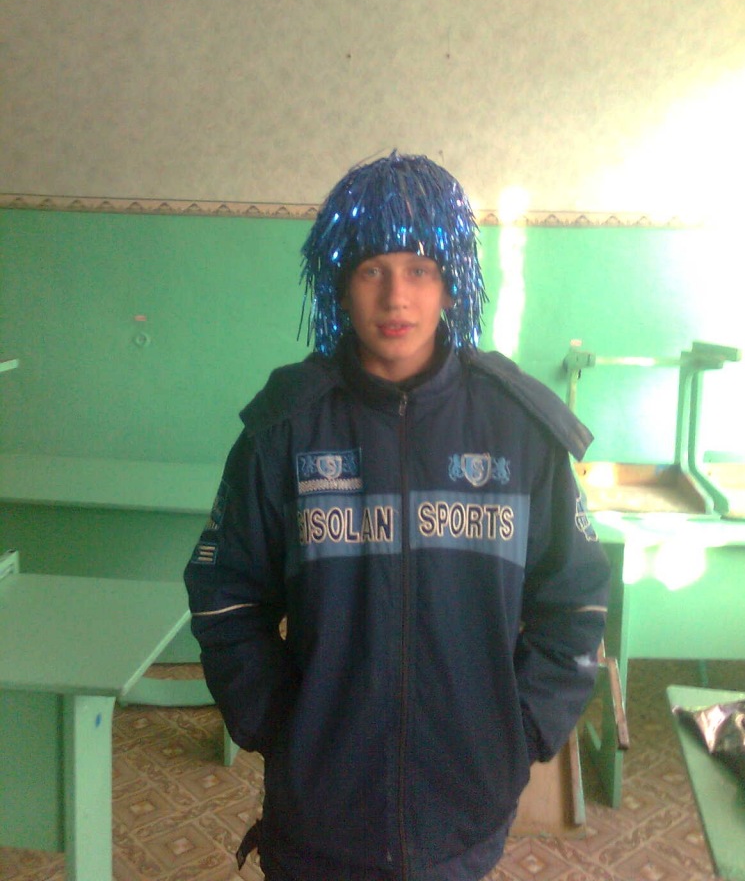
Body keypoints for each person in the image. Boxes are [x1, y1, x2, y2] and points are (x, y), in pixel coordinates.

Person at [184, 151, 610, 881]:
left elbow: (575, 602)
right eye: (371, 270)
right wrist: (282, 727)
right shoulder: (285, 430)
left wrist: (519, 731)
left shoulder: (518, 429)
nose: (396, 297)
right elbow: (225, 597)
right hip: (317, 815)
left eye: (419, 269)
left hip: (464, 814)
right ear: (340, 283)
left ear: (451, 282)